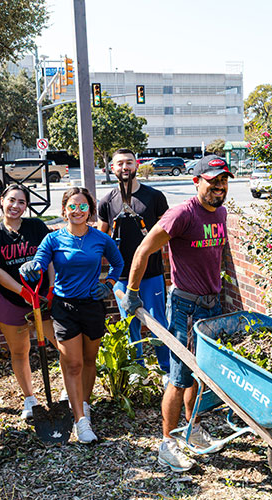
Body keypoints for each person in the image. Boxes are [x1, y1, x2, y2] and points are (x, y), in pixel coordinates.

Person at [120, 155, 231, 472]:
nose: (219, 187)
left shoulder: (220, 211)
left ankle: (191, 426)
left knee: (200, 372)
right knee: (180, 376)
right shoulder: (182, 214)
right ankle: (167, 443)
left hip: (212, 304)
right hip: (185, 304)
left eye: (223, 181)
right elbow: (144, 249)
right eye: (212, 181)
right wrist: (132, 292)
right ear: (197, 181)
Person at [20, 187, 123, 444]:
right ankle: (80, 420)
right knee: (73, 364)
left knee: (89, 361)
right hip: (64, 308)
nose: (78, 211)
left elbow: (119, 262)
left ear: (90, 210)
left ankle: (84, 405)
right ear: (64, 210)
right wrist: (31, 267)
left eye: (83, 206)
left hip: (92, 307)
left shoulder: (100, 238)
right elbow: (40, 262)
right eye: (72, 206)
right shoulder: (53, 239)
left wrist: (109, 284)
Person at [0, 184, 55, 422]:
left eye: (21, 202)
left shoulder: (36, 227)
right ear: (2, 201)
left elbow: (50, 259)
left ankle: (66, 393)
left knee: (61, 344)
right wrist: (24, 293)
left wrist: (51, 289)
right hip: (11, 299)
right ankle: (29, 399)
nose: (16, 206)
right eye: (11, 200)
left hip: (43, 298)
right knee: (20, 351)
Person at [96, 148, 171, 375]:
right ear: (112, 168)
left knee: (158, 323)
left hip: (152, 273)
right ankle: (137, 371)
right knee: (130, 326)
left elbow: (167, 232)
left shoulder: (154, 197)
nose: (125, 167)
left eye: (129, 162)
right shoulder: (107, 201)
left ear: (136, 165)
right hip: (121, 276)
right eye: (119, 164)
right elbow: (102, 238)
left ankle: (167, 370)